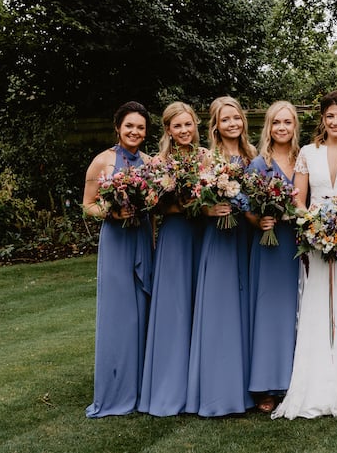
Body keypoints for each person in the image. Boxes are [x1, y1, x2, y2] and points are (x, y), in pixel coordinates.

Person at [272, 90, 337, 419]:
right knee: (317, 305)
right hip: (315, 241)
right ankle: (316, 384)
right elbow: (298, 199)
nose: (334, 121)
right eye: (329, 116)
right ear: (322, 118)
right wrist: (314, 226)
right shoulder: (308, 152)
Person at [186, 96, 257, 417]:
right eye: (225, 119)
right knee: (219, 310)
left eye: (236, 118)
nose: (232, 123)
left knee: (245, 310)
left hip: (246, 237)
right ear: (215, 125)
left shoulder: (254, 156)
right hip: (218, 239)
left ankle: (247, 388)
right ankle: (217, 391)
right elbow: (194, 203)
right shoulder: (207, 159)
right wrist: (210, 207)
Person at [82, 101, 153, 418]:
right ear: (118, 128)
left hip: (142, 237)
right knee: (118, 316)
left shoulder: (151, 163)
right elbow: (88, 205)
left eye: (140, 127)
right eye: (129, 126)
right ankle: (114, 391)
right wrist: (111, 211)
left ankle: (142, 388)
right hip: (116, 241)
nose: (134, 132)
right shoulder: (102, 161)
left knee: (144, 312)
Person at [139, 102, 207, 416]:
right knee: (175, 309)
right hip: (175, 238)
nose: (183, 131)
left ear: (196, 124)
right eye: (177, 126)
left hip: (204, 238)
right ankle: (170, 386)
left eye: (188, 124)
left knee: (203, 308)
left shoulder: (207, 158)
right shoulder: (158, 163)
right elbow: (151, 207)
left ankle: (202, 384)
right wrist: (177, 204)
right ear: (168, 130)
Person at [246, 100, 301, 413]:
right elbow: (248, 210)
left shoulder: (303, 158)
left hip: (298, 246)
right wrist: (260, 220)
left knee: (297, 310)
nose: (282, 128)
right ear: (269, 127)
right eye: (277, 122)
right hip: (270, 247)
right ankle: (266, 385)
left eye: (288, 122)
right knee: (270, 313)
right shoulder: (259, 164)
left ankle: (294, 381)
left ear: (295, 126)